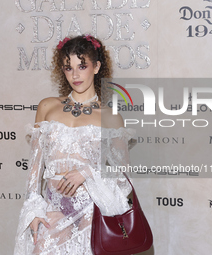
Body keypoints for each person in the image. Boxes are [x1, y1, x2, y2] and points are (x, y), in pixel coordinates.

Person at [14, 35, 135, 255]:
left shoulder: (111, 117)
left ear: (97, 67)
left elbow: (122, 177)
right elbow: (35, 168)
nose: (75, 75)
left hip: (94, 211)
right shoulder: (47, 106)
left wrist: (87, 172)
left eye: (82, 66)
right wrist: (33, 209)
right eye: (69, 68)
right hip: (54, 209)